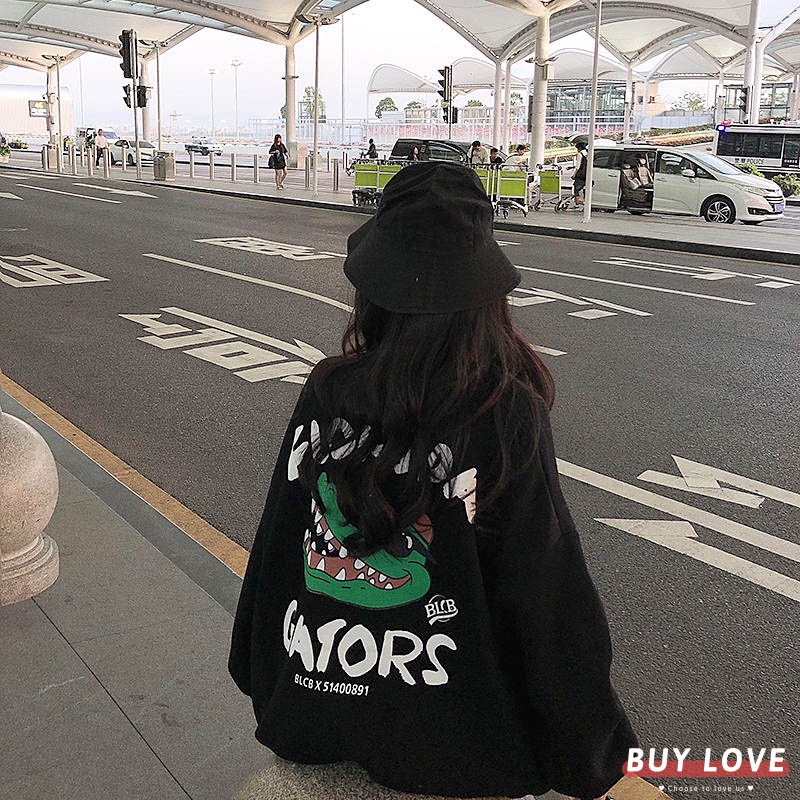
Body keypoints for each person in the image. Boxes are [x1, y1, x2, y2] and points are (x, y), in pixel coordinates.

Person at [229, 162, 637, 800]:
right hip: (455, 739)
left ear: (372, 291)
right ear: (485, 297)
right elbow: (544, 589)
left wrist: (262, 671)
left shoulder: (330, 389)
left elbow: (279, 541)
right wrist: (591, 748)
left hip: (317, 699)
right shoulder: (501, 410)